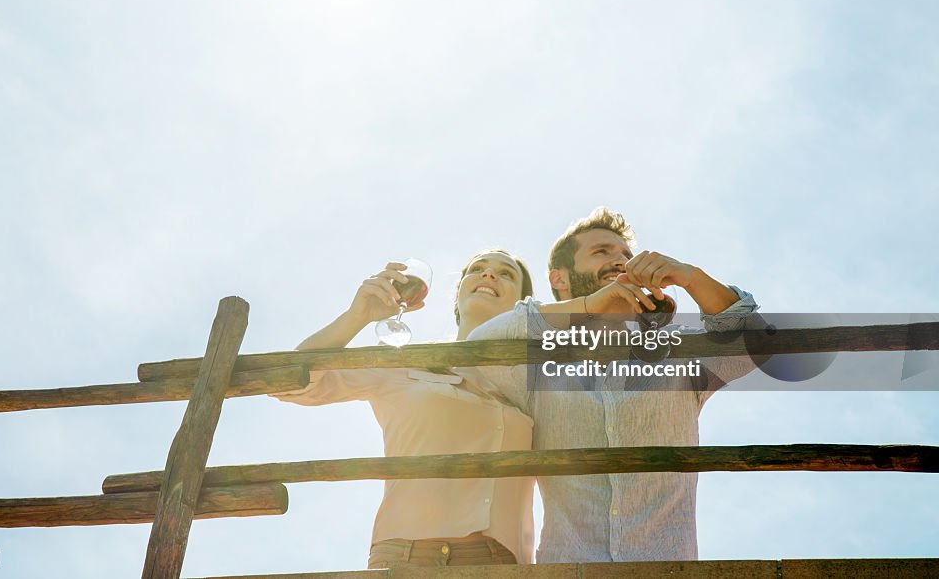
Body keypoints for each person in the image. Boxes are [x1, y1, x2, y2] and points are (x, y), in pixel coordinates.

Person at [466, 208, 758, 563]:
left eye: (626, 256)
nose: (621, 262)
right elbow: (480, 348)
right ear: (559, 279)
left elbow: (753, 347)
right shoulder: (540, 367)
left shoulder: (677, 352)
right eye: (602, 252)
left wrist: (690, 277)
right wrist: (594, 304)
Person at [273, 250, 537, 568]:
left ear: (525, 305)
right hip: (405, 558)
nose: (489, 274)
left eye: (506, 273)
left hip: (503, 565)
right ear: (458, 295)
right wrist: (358, 316)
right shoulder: (402, 362)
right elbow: (286, 383)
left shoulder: (538, 379)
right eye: (478, 269)